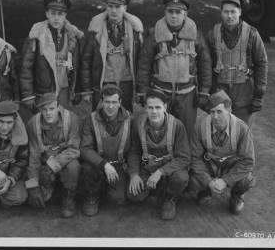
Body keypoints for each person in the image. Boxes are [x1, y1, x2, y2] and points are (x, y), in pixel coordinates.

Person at [136, 0, 211, 137]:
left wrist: (204, 91)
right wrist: (143, 90)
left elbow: (205, 64)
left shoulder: (196, 35)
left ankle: (184, 158)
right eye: (170, 11)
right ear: (165, 12)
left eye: (178, 12)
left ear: (185, 14)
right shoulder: (154, 35)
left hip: (187, 93)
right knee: (160, 129)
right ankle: (159, 157)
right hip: (160, 92)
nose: (174, 15)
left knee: (186, 131)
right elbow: (144, 64)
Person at [189, 90, 255, 215]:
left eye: (219, 112)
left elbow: (247, 161)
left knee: (246, 179)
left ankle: (236, 196)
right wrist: (208, 181)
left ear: (229, 111)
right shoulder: (200, 126)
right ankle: (206, 190)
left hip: (230, 167)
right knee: (191, 178)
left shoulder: (242, 129)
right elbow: (195, 157)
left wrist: (225, 180)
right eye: (212, 112)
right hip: (210, 166)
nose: (215, 116)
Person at [127, 88, 190, 220]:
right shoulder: (138, 124)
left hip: (170, 169)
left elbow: (184, 157)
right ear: (145, 108)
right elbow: (134, 152)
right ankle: (156, 189)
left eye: (158, 107)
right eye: (150, 107)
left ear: (165, 107)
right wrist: (134, 174)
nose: (154, 111)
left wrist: (160, 172)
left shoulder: (177, 125)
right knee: (133, 195)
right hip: (147, 167)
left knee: (181, 178)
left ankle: (170, 198)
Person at [206, 0, 268, 125]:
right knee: (220, 130)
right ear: (221, 13)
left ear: (240, 12)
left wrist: (259, 95)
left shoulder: (252, 34)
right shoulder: (212, 34)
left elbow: (261, 63)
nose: (229, 16)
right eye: (226, 12)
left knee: (242, 132)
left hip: (244, 90)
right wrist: (206, 92)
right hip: (219, 90)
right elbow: (205, 65)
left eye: (233, 11)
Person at [80, 0, 144, 112]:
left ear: (125, 8)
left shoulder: (135, 31)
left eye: (118, 6)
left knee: (126, 118)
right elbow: (86, 60)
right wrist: (86, 90)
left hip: (127, 83)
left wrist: (141, 89)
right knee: (101, 117)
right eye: (110, 6)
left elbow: (142, 61)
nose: (114, 10)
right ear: (106, 7)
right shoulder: (96, 30)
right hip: (103, 83)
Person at [20, 0, 84, 116]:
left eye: (60, 14)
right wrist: (28, 95)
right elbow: (26, 67)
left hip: (65, 89)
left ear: (65, 15)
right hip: (45, 91)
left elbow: (77, 65)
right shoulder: (36, 36)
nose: (56, 18)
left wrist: (77, 90)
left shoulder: (72, 36)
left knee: (64, 121)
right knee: (45, 122)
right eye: (52, 13)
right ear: (46, 14)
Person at [25, 93, 81, 218]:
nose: (48, 113)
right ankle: (49, 189)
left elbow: (74, 149)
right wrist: (33, 184)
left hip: (66, 159)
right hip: (44, 162)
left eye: (51, 109)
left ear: (58, 107)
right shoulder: (33, 123)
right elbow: (33, 155)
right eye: (44, 110)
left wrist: (52, 165)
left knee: (74, 167)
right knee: (39, 200)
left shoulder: (72, 119)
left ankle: (68, 198)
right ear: (40, 110)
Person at [80, 84, 133, 216]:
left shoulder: (130, 120)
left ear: (120, 103)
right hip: (97, 165)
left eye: (114, 102)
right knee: (87, 169)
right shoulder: (90, 120)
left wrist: (132, 172)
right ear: (101, 102)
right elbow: (85, 149)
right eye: (107, 102)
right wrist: (104, 165)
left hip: (119, 166)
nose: (110, 106)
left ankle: (106, 186)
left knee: (118, 199)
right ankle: (92, 195)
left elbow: (134, 150)